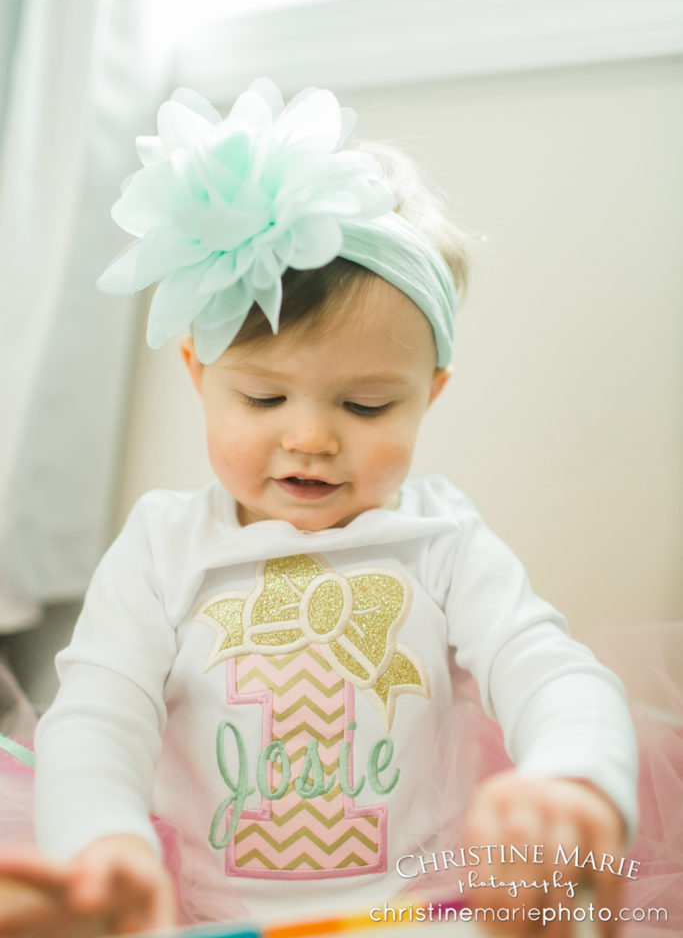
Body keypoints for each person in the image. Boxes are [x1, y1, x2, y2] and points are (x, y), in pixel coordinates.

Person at [0, 80, 638, 937]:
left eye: (366, 407)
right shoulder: (164, 545)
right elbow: (98, 717)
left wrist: (573, 778)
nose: (309, 438)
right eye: (263, 399)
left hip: (418, 913)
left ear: (428, 395)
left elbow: (550, 672)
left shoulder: (441, 541)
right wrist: (104, 846)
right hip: (197, 917)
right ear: (199, 375)